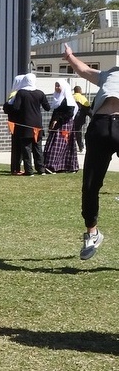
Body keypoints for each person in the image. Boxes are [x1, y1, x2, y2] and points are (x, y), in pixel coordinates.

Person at [62, 43, 118, 260]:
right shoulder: (108, 75)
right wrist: (69, 56)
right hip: (100, 126)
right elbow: (84, 70)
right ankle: (92, 233)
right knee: (90, 185)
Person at [11, 72, 50, 176]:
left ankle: (29, 170)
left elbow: (16, 107)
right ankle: (41, 169)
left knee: (26, 147)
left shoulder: (21, 93)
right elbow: (47, 107)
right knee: (38, 147)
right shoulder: (40, 93)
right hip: (38, 123)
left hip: (25, 123)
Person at [43, 79, 79, 173]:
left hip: (64, 125)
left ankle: (53, 166)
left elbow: (70, 113)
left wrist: (58, 120)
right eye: (55, 85)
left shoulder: (68, 99)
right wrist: (52, 122)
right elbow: (56, 112)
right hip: (57, 125)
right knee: (54, 144)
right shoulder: (57, 98)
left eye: (58, 85)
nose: (56, 88)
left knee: (60, 145)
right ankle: (54, 166)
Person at [3, 74, 25, 175]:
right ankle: (16, 168)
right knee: (18, 147)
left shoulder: (12, 93)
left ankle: (15, 167)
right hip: (19, 123)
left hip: (14, 122)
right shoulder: (17, 94)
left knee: (16, 147)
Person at [73, 85, 92, 153]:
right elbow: (88, 110)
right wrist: (93, 118)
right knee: (78, 133)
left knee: (70, 133)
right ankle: (80, 147)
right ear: (80, 90)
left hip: (70, 119)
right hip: (79, 119)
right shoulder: (82, 98)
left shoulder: (71, 97)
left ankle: (70, 147)